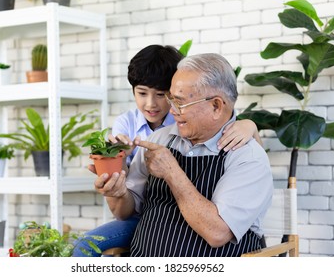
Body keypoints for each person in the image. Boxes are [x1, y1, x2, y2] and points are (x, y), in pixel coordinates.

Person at [72, 47, 261, 257]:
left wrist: (171, 171)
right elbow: (127, 209)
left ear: (216, 106)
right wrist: (117, 192)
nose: (171, 111)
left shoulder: (246, 155)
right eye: (172, 100)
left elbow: (217, 233)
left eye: (178, 102)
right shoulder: (158, 140)